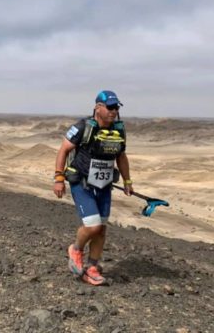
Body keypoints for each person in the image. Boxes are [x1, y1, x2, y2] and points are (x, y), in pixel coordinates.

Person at [53, 90, 133, 285]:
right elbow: (64, 150)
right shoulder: (83, 127)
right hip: (81, 183)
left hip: (104, 185)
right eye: (110, 107)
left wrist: (127, 181)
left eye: (116, 107)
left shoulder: (119, 130)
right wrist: (58, 177)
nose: (114, 111)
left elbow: (121, 157)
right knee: (93, 225)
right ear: (98, 107)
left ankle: (93, 267)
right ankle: (76, 249)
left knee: (101, 229)